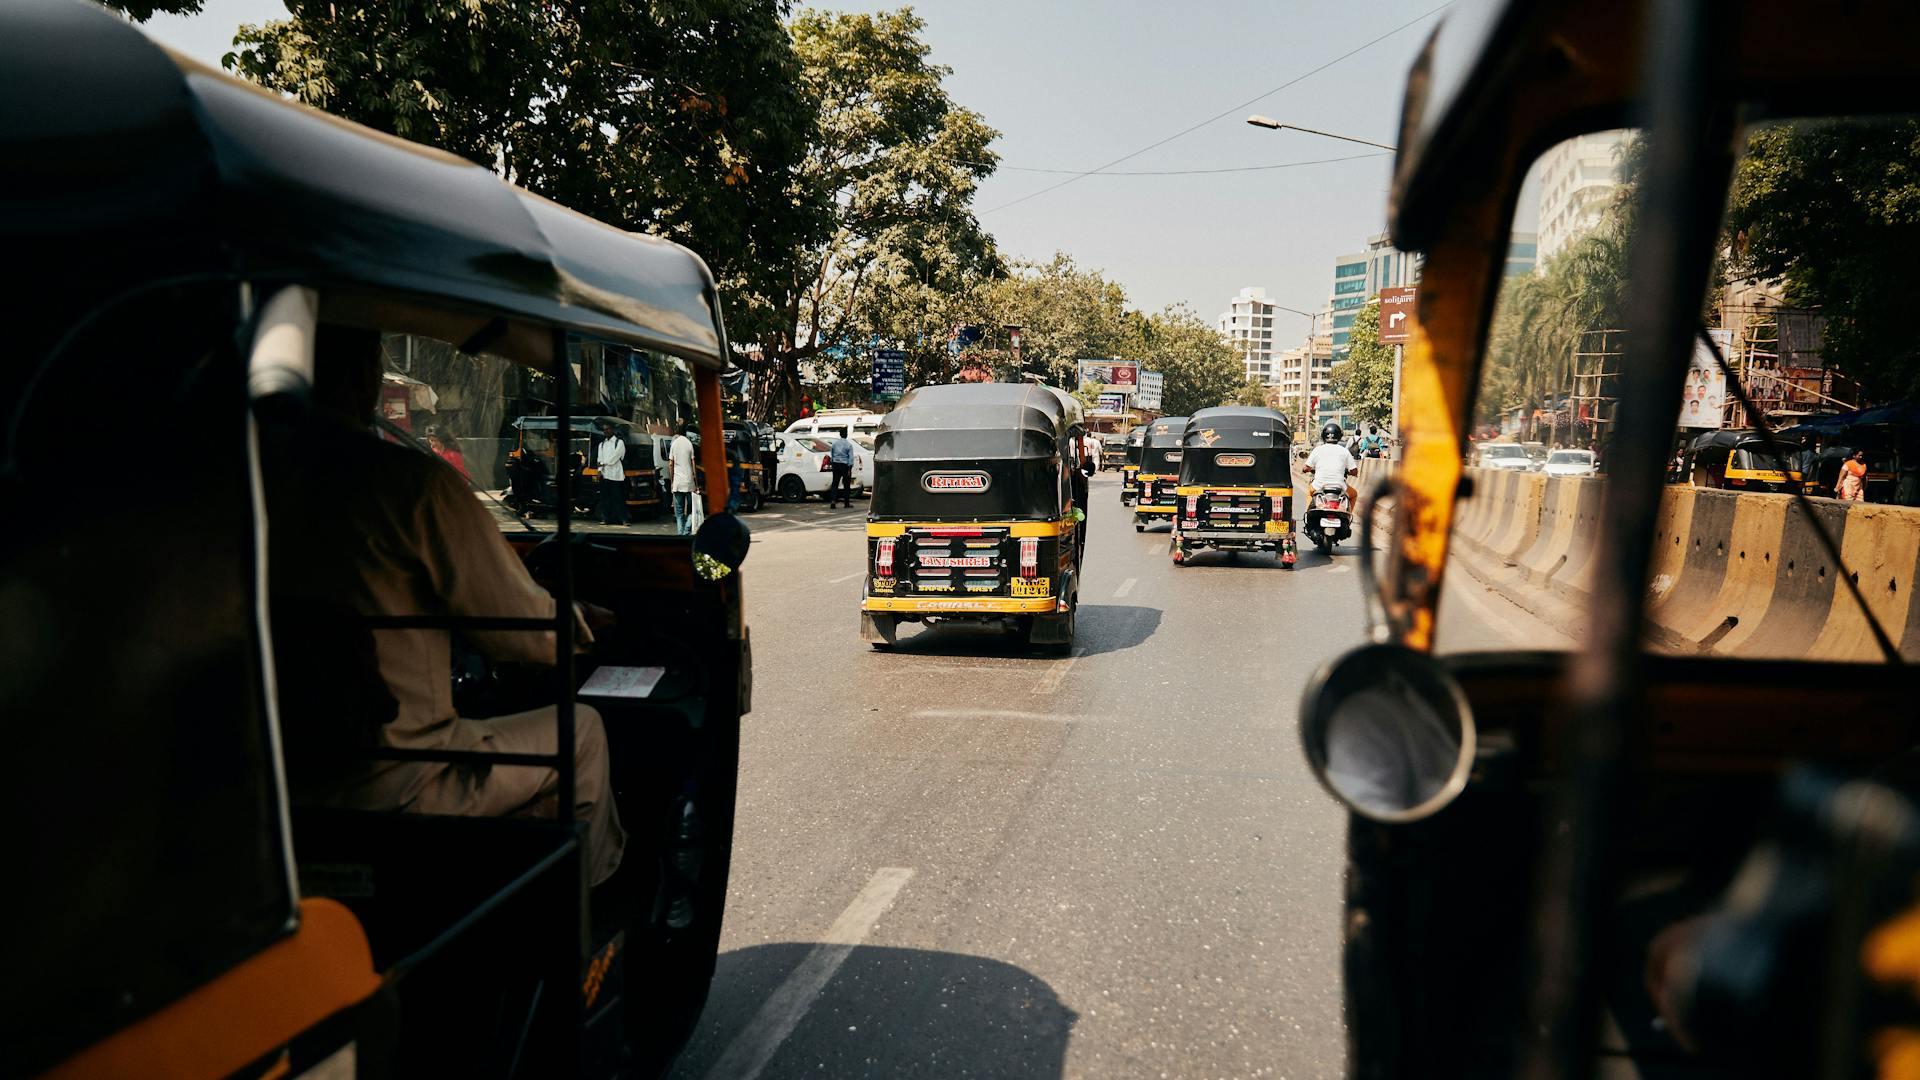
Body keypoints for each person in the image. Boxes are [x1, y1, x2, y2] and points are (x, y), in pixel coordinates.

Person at [263, 326, 625, 885]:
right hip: (400, 778)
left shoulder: (241, 481)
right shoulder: (410, 485)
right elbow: (516, 629)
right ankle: (592, 937)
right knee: (585, 733)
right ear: (362, 376)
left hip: (265, 782)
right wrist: (580, 624)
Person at [1307, 421, 1359, 504]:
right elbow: (1354, 470)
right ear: (1339, 436)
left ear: (1323, 436)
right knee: (1354, 494)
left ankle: (1308, 515)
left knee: (1309, 492)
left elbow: (1306, 467)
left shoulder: (1317, 449)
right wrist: (1351, 473)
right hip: (1340, 486)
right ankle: (1348, 515)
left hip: (1318, 486)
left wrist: (1305, 470)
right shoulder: (1344, 451)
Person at [595, 419, 628, 526]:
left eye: (608, 429)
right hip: (605, 475)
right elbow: (599, 459)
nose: (606, 431)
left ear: (612, 430)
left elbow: (615, 457)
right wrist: (599, 470)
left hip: (616, 475)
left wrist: (603, 463)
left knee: (618, 498)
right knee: (606, 499)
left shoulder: (619, 442)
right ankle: (606, 519)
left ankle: (623, 519)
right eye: (604, 430)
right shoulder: (602, 444)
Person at [667, 420, 697, 534]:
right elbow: (693, 463)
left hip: (678, 483)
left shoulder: (674, 444)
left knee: (679, 513)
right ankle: (686, 532)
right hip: (689, 482)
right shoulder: (689, 443)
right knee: (691, 510)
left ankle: (681, 535)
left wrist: (672, 481)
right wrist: (696, 483)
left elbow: (671, 464)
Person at [827, 432, 856, 508]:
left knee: (835, 483)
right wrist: (849, 469)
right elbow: (851, 458)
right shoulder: (849, 445)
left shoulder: (835, 444)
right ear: (846, 435)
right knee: (846, 484)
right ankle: (846, 503)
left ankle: (833, 501)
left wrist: (833, 464)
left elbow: (832, 455)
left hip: (836, 465)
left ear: (840, 434)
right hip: (845, 466)